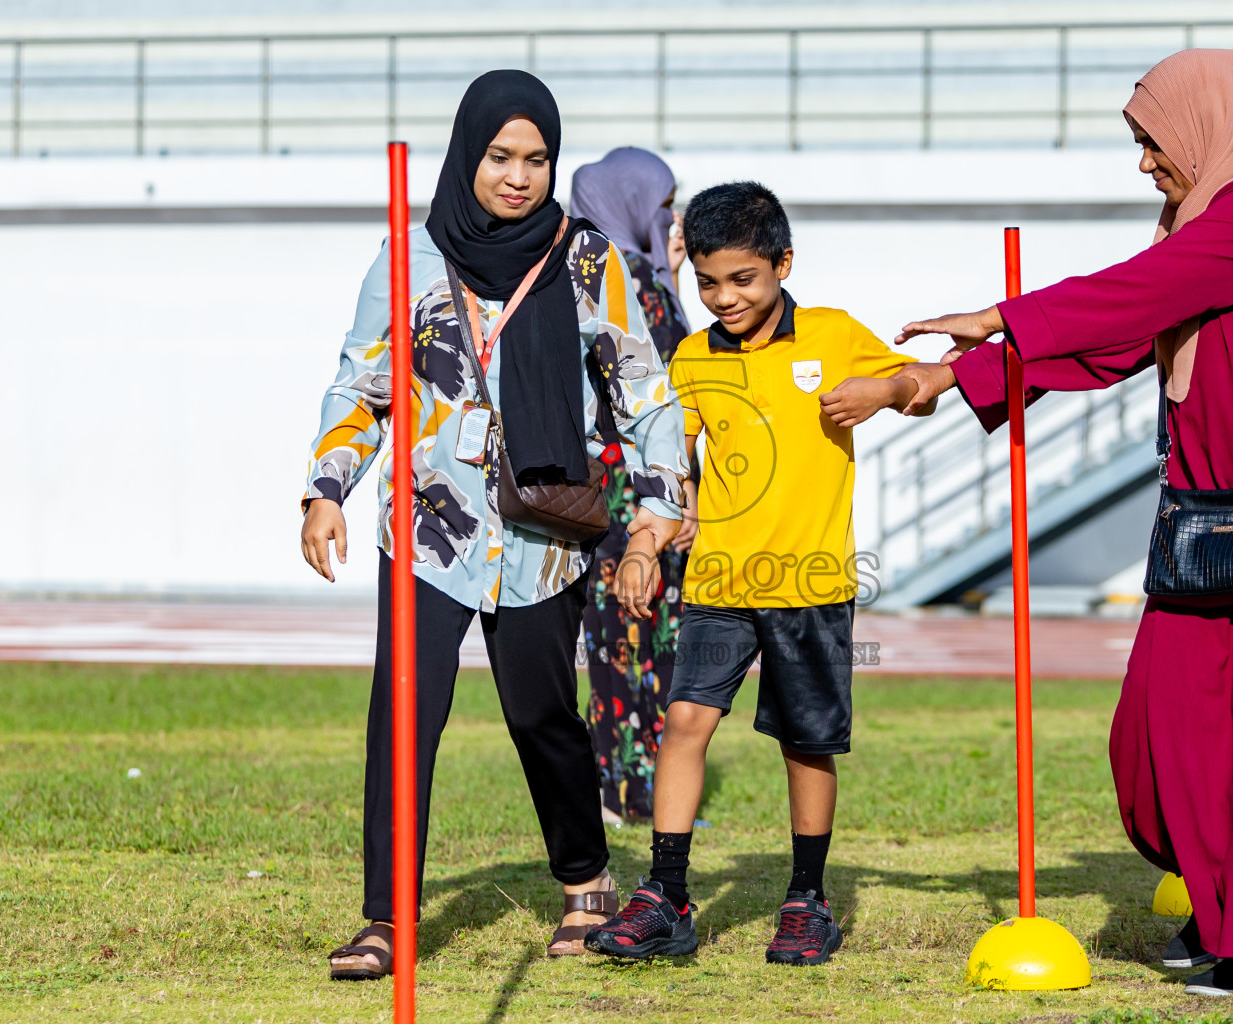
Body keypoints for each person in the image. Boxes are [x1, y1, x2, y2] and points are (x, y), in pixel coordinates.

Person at [892, 50, 1233, 996]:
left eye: (1152, 143)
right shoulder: (1202, 226)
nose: (1146, 164)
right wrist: (948, 379)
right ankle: (1220, 895)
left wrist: (1000, 316)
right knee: (1164, 728)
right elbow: (1121, 337)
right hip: (1213, 518)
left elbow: (1132, 297)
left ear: (1211, 123)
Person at [299, 70, 688, 973]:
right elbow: (363, 384)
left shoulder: (589, 260)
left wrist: (660, 509)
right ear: (467, 153)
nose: (519, 176)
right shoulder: (408, 262)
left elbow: (645, 391)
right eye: (501, 156)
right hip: (430, 532)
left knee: (542, 712)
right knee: (404, 712)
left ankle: (586, 878)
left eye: (538, 159)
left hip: (545, 533)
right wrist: (326, 488)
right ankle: (387, 917)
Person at [584, 181, 935, 966]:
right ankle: (665, 897)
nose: (723, 297)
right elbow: (669, 475)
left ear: (782, 263)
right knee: (684, 725)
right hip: (718, 587)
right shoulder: (692, 358)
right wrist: (645, 545)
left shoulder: (835, 335)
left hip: (810, 584)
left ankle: (807, 901)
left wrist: (886, 389)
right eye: (708, 282)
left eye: (742, 279)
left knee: (806, 745)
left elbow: (923, 389)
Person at [568, 147, 696, 822]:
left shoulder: (572, 269)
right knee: (651, 630)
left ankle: (616, 785)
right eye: (662, 205)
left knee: (613, 633)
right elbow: (676, 397)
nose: (672, 220)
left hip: (592, 485)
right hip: (644, 487)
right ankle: (641, 789)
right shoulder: (638, 281)